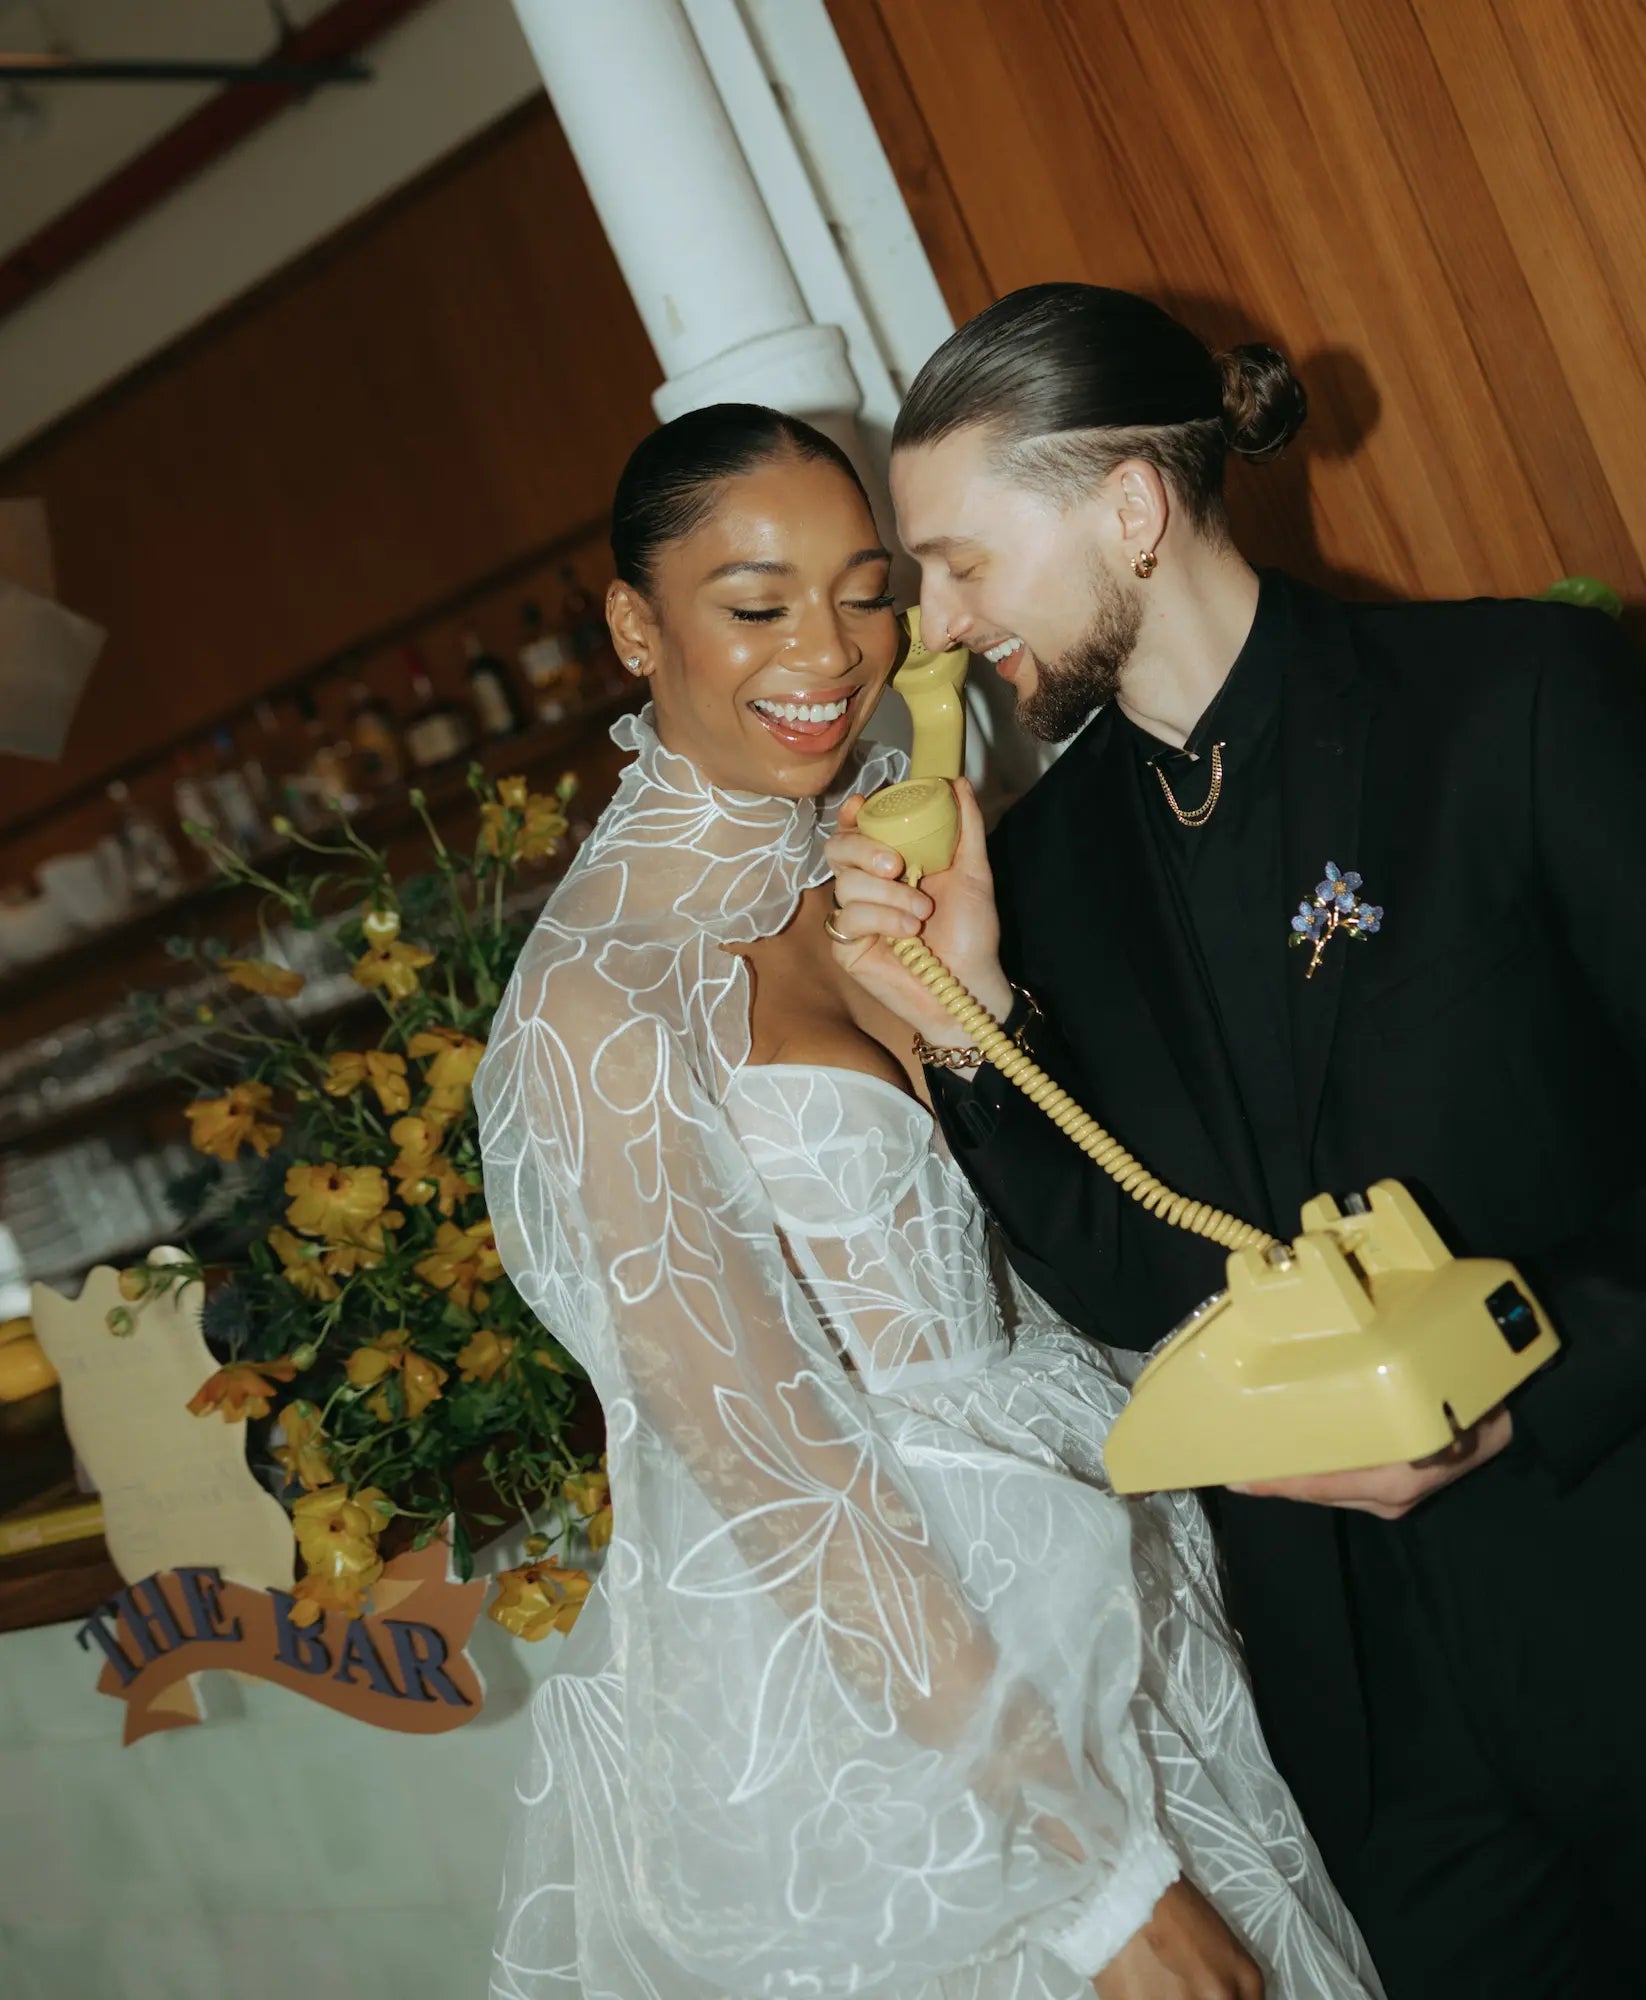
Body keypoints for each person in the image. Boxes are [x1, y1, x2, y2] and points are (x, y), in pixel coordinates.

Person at [825, 282, 1646, 1997]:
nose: (931, 627)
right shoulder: (1051, 863)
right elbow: (1129, 1279)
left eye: (962, 559)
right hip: (1399, 1764)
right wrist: (974, 1026)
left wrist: (1514, 1375)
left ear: (1131, 510)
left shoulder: (1515, 699)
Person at [474, 402, 1379, 2000]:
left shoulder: (872, 854)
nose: (830, 651)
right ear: (635, 624)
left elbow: (1021, 1267)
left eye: (867, 588)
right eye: (755, 605)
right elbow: (764, 1459)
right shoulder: (595, 1003)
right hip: (888, 1735)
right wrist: (1102, 1891)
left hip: (1110, 1611)